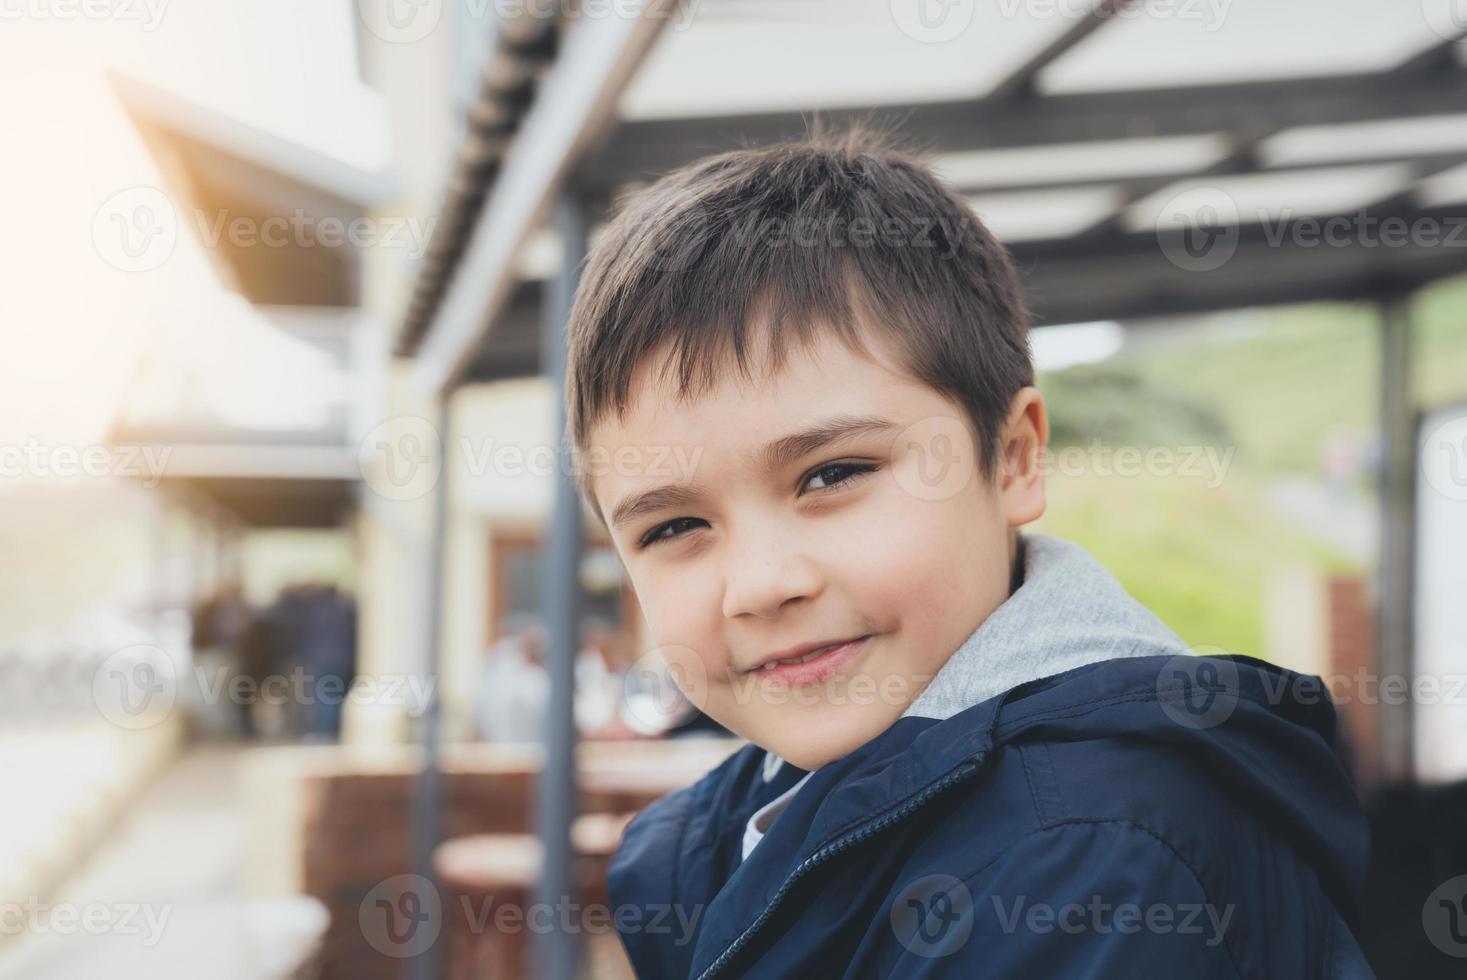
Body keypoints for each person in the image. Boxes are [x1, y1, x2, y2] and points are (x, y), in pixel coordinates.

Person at [563, 130, 1372, 976]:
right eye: (673, 528)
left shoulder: (1087, 859)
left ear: (1014, 457)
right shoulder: (737, 831)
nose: (761, 586)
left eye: (833, 473)